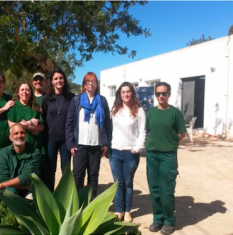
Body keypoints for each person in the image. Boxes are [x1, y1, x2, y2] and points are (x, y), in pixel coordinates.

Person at [146, 82, 187, 235]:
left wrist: (172, 141)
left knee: (167, 189)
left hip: (168, 156)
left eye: (163, 93)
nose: (161, 96)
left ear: (169, 94)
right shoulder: (150, 112)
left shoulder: (175, 113)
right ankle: (158, 218)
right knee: (154, 188)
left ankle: (169, 220)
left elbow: (182, 133)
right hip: (152, 155)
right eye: (158, 94)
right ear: (155, 95)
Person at [66, 72, 111, 200]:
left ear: (97, 84)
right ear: (84, 84)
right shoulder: (76, 100)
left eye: (93, 81)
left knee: (93, 175)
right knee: (78, 175)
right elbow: (69, 123)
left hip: (96, 145)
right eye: (88, 81)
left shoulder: (102, 101)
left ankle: (91, 204)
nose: (91, 84)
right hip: (80, 145)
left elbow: (107, 124)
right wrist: (70, 143)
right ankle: (76, 203)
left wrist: (106, 143)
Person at [109, 82, 146, 222]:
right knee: (117, 183)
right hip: (115, 152)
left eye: (128, 91)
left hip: (130, 152)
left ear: (132, 93)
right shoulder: (114, 110)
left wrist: (137, 148)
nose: (126, 94)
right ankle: (119, 210)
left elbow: (142, 131)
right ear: (120, 94)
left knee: (128, 182)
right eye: (123, 92)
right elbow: (109, 129)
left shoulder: (139, 110)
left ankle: (127, 210)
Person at [0, 123, 41, 202]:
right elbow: (3, 178)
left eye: (22, 132)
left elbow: (27, 177)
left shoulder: (35, 153)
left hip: (27, 192)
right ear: (10, 137)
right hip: (9, 190)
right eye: (16, 133)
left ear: (26, 135)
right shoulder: (3, 153)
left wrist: (1, 185)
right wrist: (25, 185)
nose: (19, 135)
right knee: (11, 192)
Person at [42, 68, 74, 191]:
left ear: (64, 80)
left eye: (61, 78)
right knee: (50, 170)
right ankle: (50, 195)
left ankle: (65, 195)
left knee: (66, 171)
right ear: (52, 81)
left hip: (66, 140)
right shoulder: (46, 98)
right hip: (50, 140)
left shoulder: (71, 98)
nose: (59, 80)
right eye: (56, 78)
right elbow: (43, 117)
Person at [7, 82, 44, 152]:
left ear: (31, 92)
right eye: (22, 90)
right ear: (18, 93)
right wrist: (30, 122)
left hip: (35, 147)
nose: (25, 92)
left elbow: (42, 127)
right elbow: (11, 126)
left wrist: (28, 126)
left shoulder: (36, 107)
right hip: (18, 147)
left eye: (27, 90)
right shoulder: (13, 106)